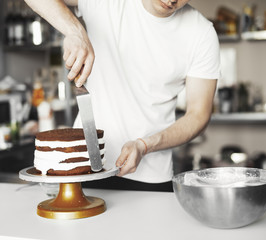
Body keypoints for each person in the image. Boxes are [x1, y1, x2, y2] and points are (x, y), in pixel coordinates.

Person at [24, 0, 220, 191]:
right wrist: (75, 31)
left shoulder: (201, 33)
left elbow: (198, 115)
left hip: (151, 179)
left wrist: (145, 145)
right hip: (84, 169)